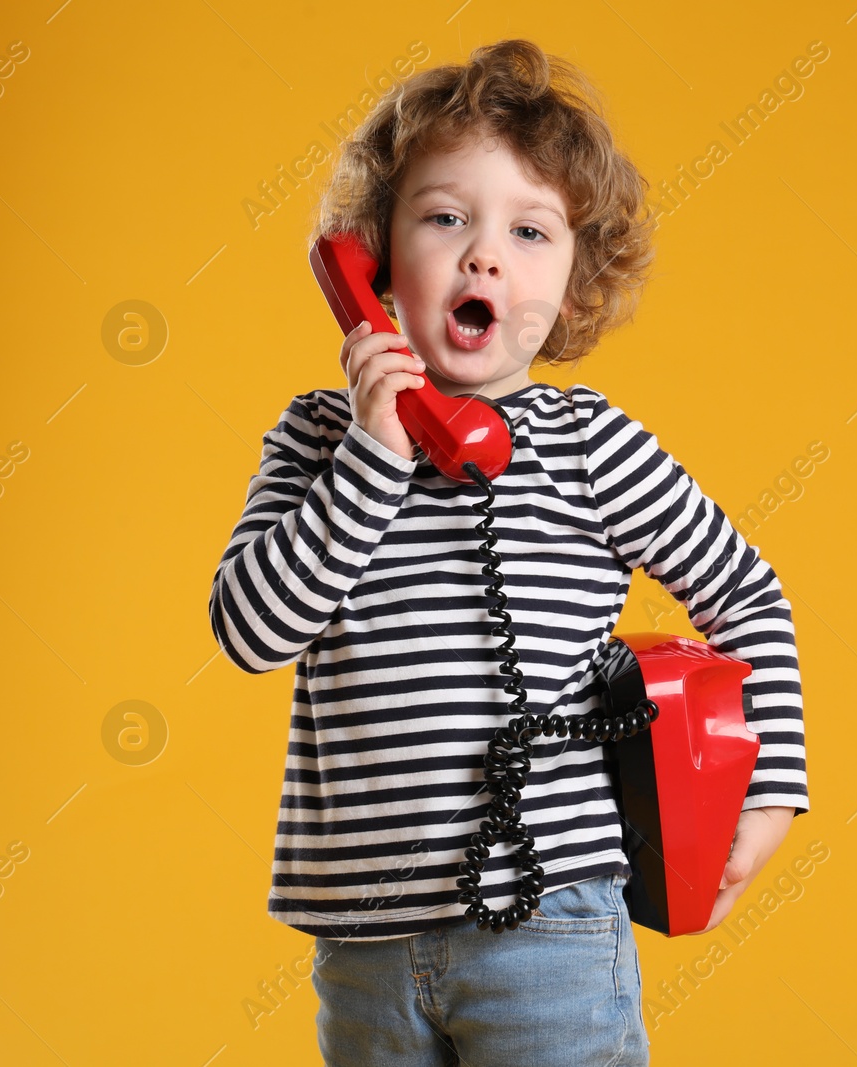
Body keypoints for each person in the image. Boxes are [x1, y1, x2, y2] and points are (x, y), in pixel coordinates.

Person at [206, 38, 810, 1066]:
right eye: (445, 218)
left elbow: (747, 593)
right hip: (363, 937)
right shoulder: (316, 439)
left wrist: (773, 784)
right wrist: (374, 450)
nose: (484, 254)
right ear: (373, 262)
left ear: (574, 290)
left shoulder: (591, 446)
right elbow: (250, 630)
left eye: (530, 231)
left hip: (549, 921)